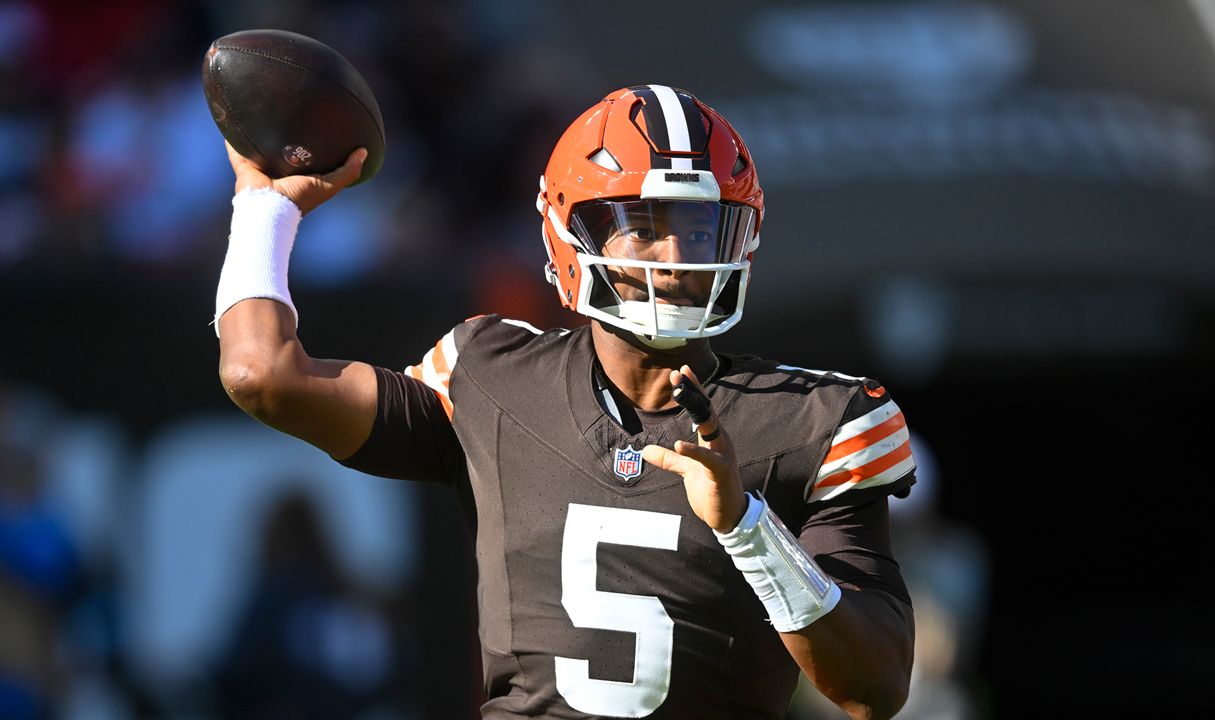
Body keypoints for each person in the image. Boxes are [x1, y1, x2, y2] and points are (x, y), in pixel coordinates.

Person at [214, 84, 917, 720]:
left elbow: (874, 688)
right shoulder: (490, 377)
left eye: (698, 227)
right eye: (643, 224)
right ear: (570, 233)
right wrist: (263, 206)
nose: (675, 256)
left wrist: (747, 526)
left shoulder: (814, 419)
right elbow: (262, 376)